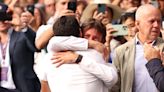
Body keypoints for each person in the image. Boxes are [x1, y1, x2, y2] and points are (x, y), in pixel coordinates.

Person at [38, 15, 118, 92]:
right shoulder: (94, 56)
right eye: (87, 36)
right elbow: (112, 78)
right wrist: (80, 57)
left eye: (95, 38)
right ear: (80, 34)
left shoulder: (48, 58)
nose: (91, 40)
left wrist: (78, 58)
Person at [112, 4, 164, 92]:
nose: (156, 25)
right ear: (137, 24)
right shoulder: (121, 51)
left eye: (159, 21)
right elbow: (115, 87)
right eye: (151, 21)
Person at [0, 3, 40, 92]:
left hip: (22, 87)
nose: (2, 21)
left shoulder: (22, 35)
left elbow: (36, 47)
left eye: (4, 17)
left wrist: (22, 26)